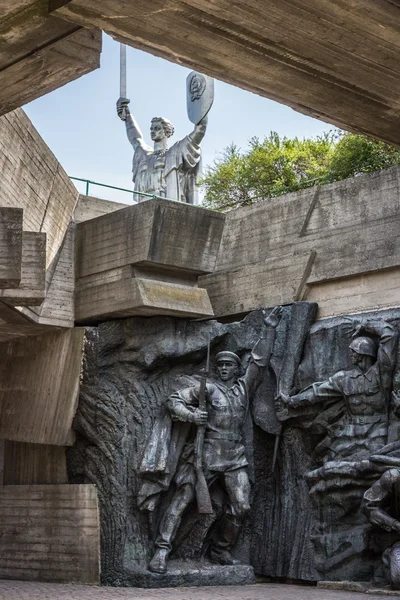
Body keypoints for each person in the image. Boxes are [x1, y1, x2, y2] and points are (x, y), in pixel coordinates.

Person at [138, 307, 283, 574]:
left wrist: (270, 329)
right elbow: (173, 401)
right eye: (221, 365)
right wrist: (192, 415)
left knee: (241, 506)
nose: (225, 369)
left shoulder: (243, 389)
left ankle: (220, 549)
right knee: (182, 501)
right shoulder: (207, 388)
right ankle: (161, 550)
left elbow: (259, 362)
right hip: (205, 455)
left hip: (234, 457)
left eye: (229, 365)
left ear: (237, 369)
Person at [276, 319, 398, 462]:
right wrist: (291, 400)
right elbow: (318, 392)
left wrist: (366, 326)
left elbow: (390, 334)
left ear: (363, 353)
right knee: (328, 462)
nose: (351, 354)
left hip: (378, 433)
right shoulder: (343, 379)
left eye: (354, 351)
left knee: (373, 463)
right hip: (349, 433)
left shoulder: (380, 374)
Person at [117, 98, 207, 204]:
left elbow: (199, 131)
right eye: (151, 129)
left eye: (156, 128)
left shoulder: (175, 152)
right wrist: (127, 116)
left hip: (166, 204)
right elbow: (135, 138)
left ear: (166, 132)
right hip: (143, 203)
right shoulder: (144, 154)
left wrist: (201, 104)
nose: (152, 131)